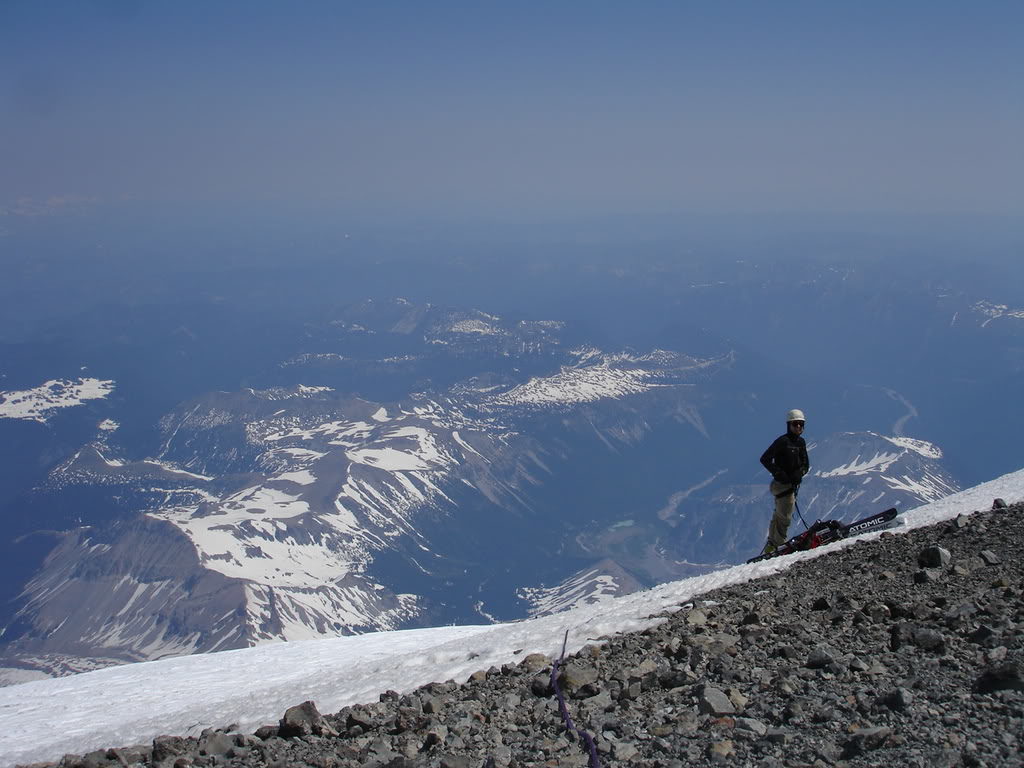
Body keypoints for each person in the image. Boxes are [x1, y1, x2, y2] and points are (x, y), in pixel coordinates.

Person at [759, 409, 810, 554]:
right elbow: (765, 459)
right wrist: (780, 473)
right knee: (784, 518)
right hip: (783, 486)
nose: (799, 427)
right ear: (789, 425)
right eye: (796, 424)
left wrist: (799, 473)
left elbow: (806, 464)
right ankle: (778, 548)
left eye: (801, 424)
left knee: (778, 516)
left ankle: (772, 545)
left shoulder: (801, 442)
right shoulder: (783, 442)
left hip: (789, 486)